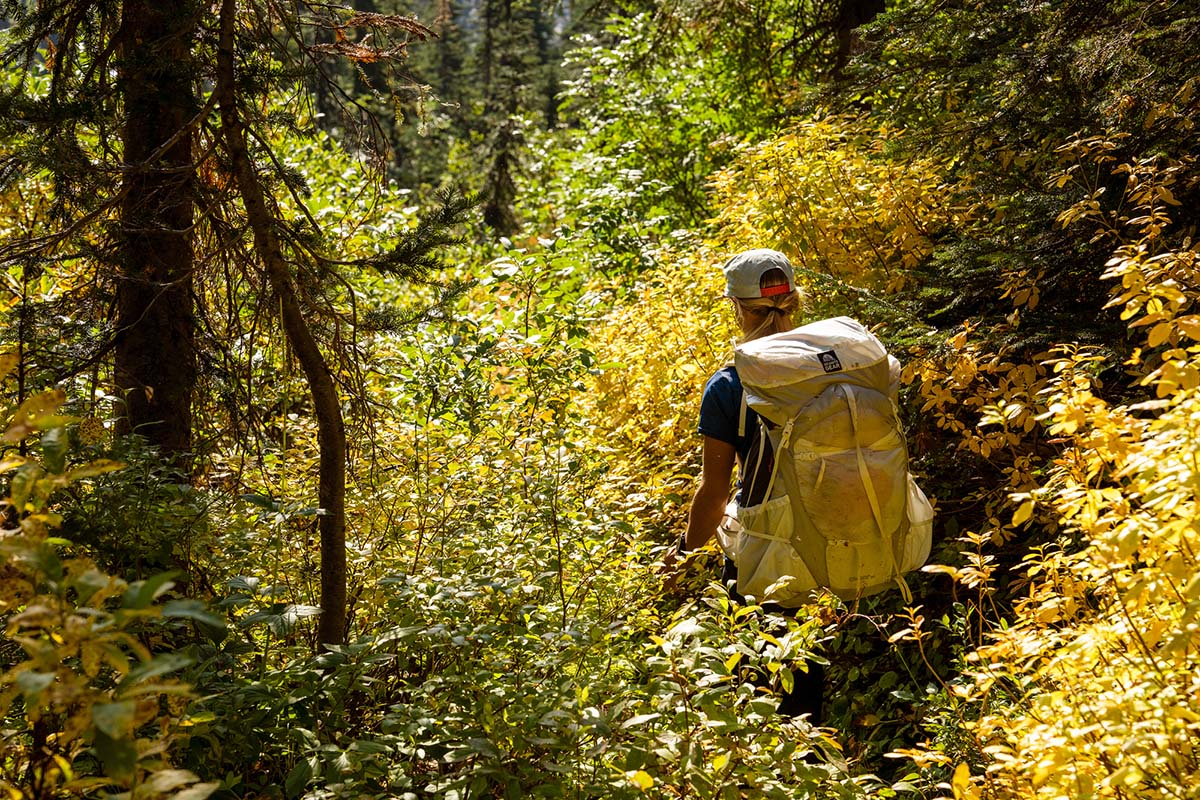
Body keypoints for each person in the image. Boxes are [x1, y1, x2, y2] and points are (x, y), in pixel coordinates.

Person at [666, 247, 825, 722]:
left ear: (736, 306)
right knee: (808, 669)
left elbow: (714, 492)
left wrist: (686, 551)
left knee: (758, 673)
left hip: (764, 545)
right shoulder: (831, 363)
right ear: (794, 302)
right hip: (830, 537)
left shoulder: (730, 385)